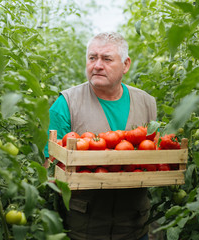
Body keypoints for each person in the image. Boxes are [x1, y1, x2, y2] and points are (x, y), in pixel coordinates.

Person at [44, 32, 157, 240]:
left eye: (106, 59)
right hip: (84, 229)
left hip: (135, 227)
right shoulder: (67, 103)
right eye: (92, 58)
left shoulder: (147, 103)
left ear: (126, 64)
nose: (97, 65)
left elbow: (154, 160)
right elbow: (49, 167)